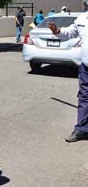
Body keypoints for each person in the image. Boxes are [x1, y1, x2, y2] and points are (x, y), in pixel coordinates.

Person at [48, 13, 88, 142]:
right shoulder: (82, 18)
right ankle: (81, 129)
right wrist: (57, 31)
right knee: (84, 96)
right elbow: (70, 32)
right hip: (86, 66)